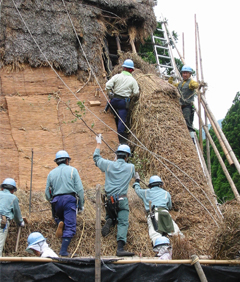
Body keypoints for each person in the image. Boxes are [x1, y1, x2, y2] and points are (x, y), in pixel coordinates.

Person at [93, 134, 135, 256]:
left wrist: (98, 143)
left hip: (109, 200)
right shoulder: (131, 167)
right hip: (122, 200)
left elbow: (96, 158)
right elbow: (132, 174)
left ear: (116, 155)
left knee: (110, 211)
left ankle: (110, 219)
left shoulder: (108, 165)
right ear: (127, 156)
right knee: (123, 222)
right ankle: (120, 248)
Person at [45, 150, 84, 257]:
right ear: (67, 160)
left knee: (58, 216)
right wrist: (81, 205)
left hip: (56, 200)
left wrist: (51, 201)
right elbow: (80, 190)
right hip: (69, 200)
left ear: (57, 162)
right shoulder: (73, 170)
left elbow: (47, 193)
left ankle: (59, 222)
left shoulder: (51, 173)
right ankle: (63, 251)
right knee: (71, 225)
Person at [132, 174, 183, 248]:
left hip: (154, 214)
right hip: (165, 213)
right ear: (160, 185)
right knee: (176, 233)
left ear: (150, 185)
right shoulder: (166, 193)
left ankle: (160, 250)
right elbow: (169, 206)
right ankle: (183, 246)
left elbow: (137, 190)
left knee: (155, 234)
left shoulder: (146, 192)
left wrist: (137, 181)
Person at [106, 59, 139, 144]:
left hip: (114, 101)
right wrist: (130, 94)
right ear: (132, 70)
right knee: (122, 120)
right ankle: (120, 137)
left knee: (113, 113)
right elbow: (136, 93)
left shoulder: (117, 76)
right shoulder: (133, 80)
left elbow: (108, 85)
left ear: (123, 68)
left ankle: (113, 119)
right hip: (123, 103)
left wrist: (110, 93)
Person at [169, 65, 199, 143]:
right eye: (183, 73)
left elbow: (196, 85)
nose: (185, 74)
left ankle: (192, 140)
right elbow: (171, 85)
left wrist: (194, 84)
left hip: (187, 107)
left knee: (188, 123)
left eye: (186, 73)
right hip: (180, 106)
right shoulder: (180, 83)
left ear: (190, 74)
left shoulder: (190, 82)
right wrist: (171, 77)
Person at [0, 178, 25, 257]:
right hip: (2, 221)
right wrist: (20, 222)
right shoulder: (13, 198)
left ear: (2, 188)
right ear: (13, 190)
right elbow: (17, 213)